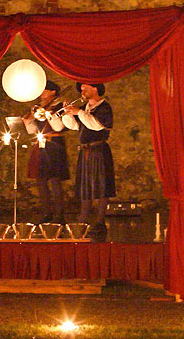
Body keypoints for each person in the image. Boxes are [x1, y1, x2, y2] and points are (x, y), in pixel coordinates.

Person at [61, 82, 115, 239]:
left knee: (101, 185)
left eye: (85, 88)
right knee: (85, 185)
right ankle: (83, 219)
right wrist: (68, 114)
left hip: (99, 150)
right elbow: (75, 127)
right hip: (85, 151)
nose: (82, 91)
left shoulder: (105, 107)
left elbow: (97, 125)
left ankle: (100, 221)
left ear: (95, 89)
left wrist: (79, 112)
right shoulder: (85, 108)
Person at [22, 80, 70, 224]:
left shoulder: (59, 106)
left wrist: (49, 114)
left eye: (44, 90)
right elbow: (32, 130)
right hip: (40, 144)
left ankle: (59, 214)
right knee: (41, 180)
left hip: (54, 144)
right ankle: (46, 212)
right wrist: (28, 120)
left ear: (52, 92)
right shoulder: (38, 108)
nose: (41, 94)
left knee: (55, 180)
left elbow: (59, 127)